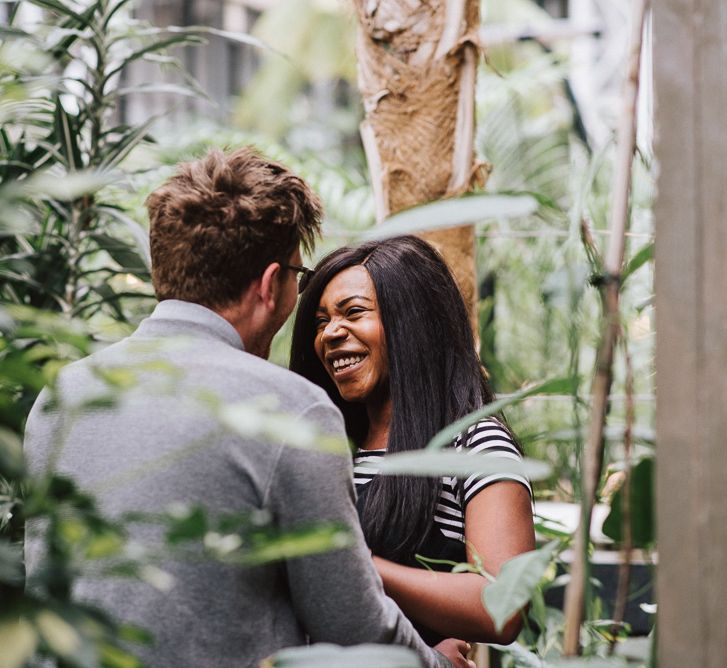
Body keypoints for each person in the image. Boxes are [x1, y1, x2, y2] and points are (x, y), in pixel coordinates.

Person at [23, 149, 471, 668]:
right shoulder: (288, 411)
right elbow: (351, 624)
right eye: (297, 280)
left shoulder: (64, 394)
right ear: (269, 284)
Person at [290, 235, 536, 646]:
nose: (331, 332)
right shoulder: (328, 446)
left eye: (353, 312)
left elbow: (503, 606)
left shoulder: (475, 446)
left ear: (412, 324)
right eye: (321, 321)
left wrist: (356, 563)